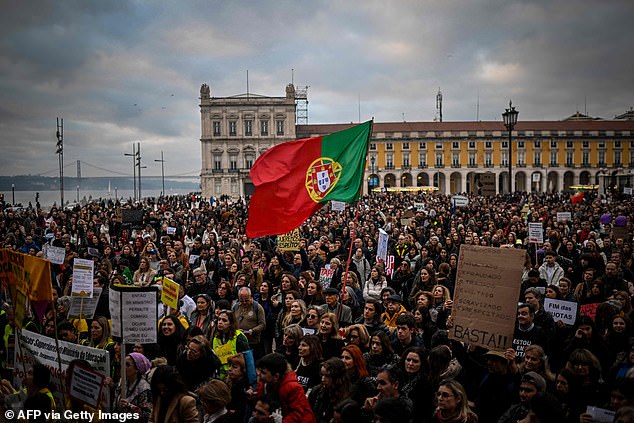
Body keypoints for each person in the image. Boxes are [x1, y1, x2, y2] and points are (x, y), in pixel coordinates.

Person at [255, 352, 316, 423]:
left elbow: (297, 414)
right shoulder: (266, 382)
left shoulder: (293, 388)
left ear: (276, 376)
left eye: (263, 372)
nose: (259, 375)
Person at [309, 357, 351, 423]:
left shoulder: (349, 395)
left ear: (337, 377)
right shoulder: (316, 391)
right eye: (322, 375)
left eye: (327, 376)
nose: (323, 379)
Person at [212, 310, 250, 380]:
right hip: (220, 377)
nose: (220, 322)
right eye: (219, 319)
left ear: (230, 323)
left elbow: (248, 360)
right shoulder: (215, 338)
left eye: (224, 320)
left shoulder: (239, 337)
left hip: (236, 378)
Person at [115, 352, 153, 423]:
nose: (123, 367)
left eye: (127, 365)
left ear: (137, 369)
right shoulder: (123, 382)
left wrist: (130, 407)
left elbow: (148, 415)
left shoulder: (145, 388)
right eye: (123, 363)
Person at [400, 347, 434, 423]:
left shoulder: (425, 384)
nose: (410, 364)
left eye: (415, 361)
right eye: (408, 360)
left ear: (422, 363)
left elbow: (423, 412)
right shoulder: (399, 377)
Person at [234, 287, 267, 359]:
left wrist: (253, 330)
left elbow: (262, 324)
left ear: (251, 297)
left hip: (253, 342)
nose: (244, 302)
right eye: (242, 301)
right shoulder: (236, 307)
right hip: (239, 342)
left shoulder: (257, 307)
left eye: (246, 300)